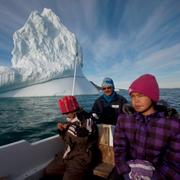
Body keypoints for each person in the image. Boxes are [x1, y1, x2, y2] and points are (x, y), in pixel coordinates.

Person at [112, 74, 180, 180]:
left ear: (152, 97)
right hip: (127, 170)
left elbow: (175, 163)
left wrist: (154, 177)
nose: (135, 101)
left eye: (140, 95)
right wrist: (125, 171)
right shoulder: (124, 119)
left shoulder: (172, 125)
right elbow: (119, 149)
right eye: (132, 96)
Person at [44, 96, 98, 180]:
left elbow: (84, 139)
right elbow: (67, 141)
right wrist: (61, 131)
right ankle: (73, 173)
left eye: (67, 112)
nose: (66, 115)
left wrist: (70, 128)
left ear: (73, 110)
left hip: (81, 158)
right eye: (64, 113)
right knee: (49, 171)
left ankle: (77, 174)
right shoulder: (70, 121)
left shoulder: (87, 120)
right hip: (67, 155)